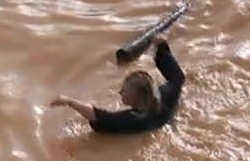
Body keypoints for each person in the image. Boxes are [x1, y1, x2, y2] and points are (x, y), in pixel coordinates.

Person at [51, 38, 185, 134]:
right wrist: (162, 47)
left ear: (137, 97)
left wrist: (69, 101)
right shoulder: (165, 95)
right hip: (167, 122)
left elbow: (100, 117)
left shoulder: (133, 119)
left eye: (125, 91)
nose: (120, 92)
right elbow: (178, 77)